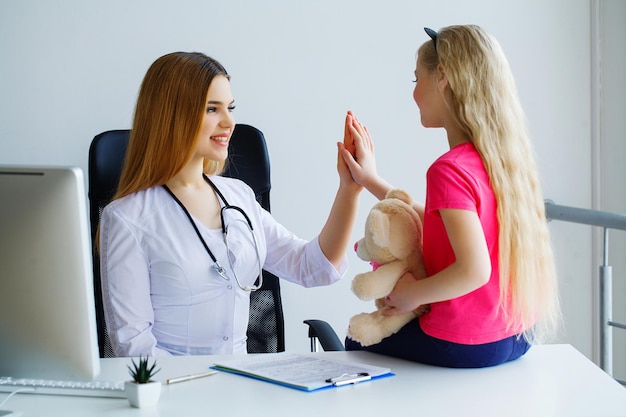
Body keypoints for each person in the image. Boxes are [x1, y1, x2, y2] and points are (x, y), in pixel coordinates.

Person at [99, 52, 362, 357]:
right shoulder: (127, 218)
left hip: (242, 384)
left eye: (230, 108)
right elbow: (133, 345)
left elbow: (312, 268)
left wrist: (349, 188)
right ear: (171, 115)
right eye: (212, 109)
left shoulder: (238, 197)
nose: (229, 122)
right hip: (175, 391)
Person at [340, 25, 561, 368]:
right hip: (516, 337)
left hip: (466, 342)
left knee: (356, 340)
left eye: (417, 80)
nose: (413, 94)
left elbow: (474, 270)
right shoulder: (502, 161)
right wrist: (370, 180)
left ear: (443, 77)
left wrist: (409, 296)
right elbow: (439, 219)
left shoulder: (448, 169)